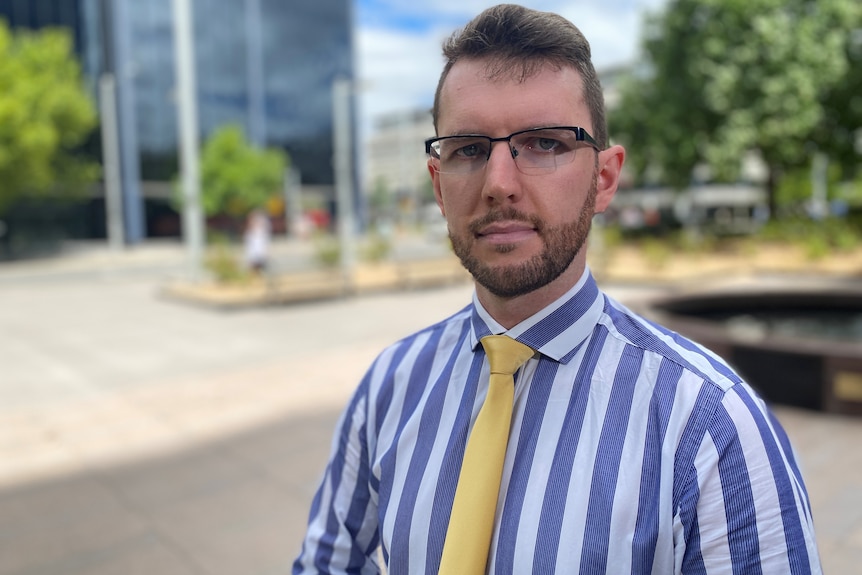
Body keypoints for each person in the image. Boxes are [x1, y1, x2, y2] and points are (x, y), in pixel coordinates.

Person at [293, 4, 822, 574]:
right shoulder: (391, 385)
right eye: (468, 148)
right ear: (438, 184)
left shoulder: (711, 426)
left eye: (544, 143)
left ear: (605, 178)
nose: (499, 183)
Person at [243, 208, 271, 275]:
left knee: (260, 268)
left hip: (259, 254)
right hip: (254, 254)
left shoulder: (261, 232)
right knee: (254, 268)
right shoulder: (250, 233)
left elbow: (263, 244)